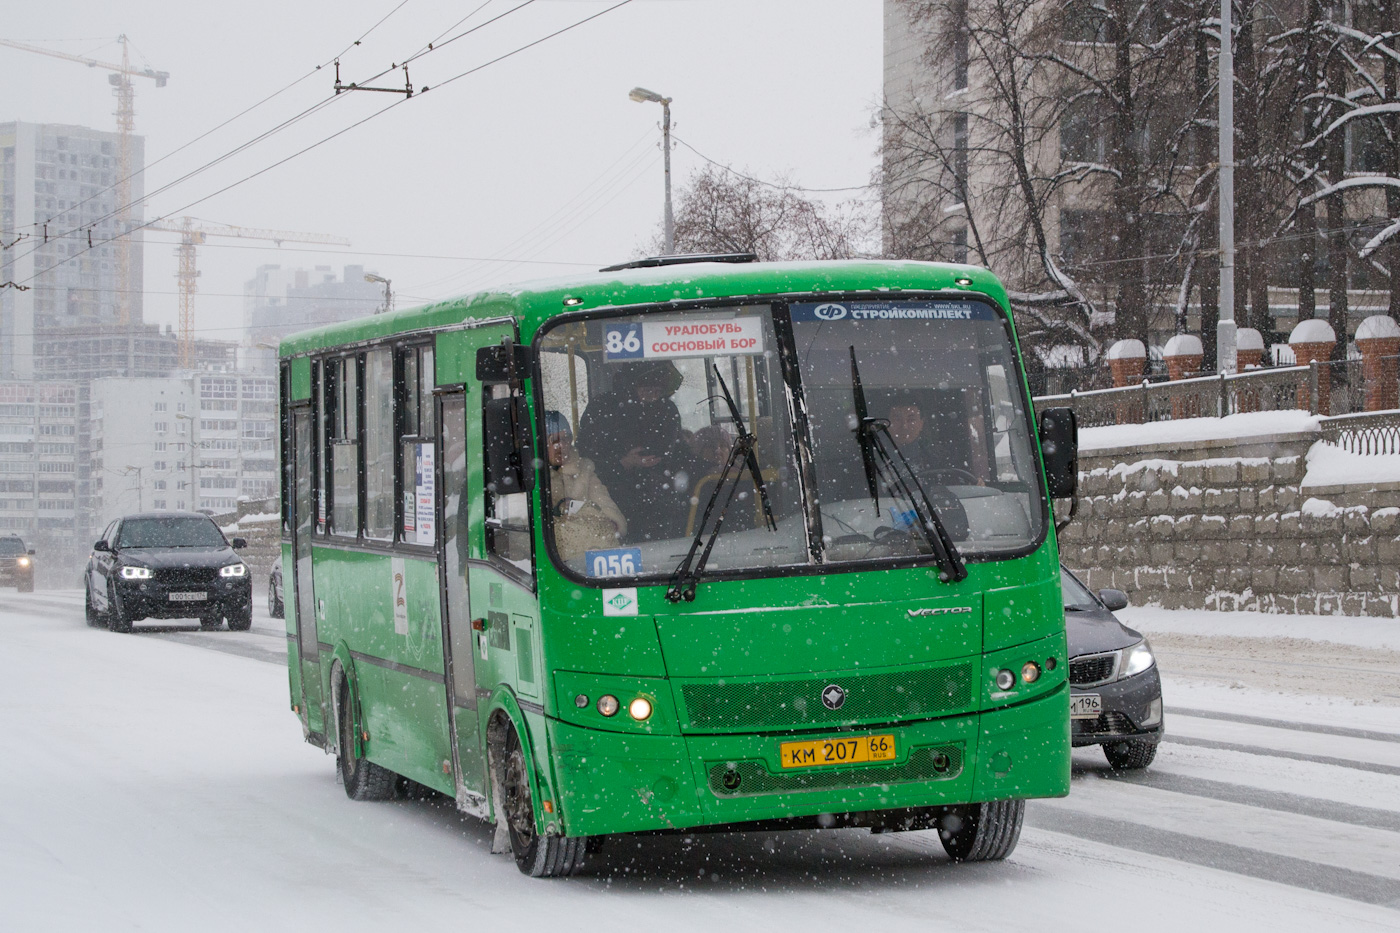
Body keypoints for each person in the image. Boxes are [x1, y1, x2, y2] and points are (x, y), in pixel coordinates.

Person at [576, 361, 688, 542]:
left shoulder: (667, 410)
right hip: (613, 499)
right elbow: (584, 462)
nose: (652, 393)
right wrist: (624, 463)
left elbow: (680, 454)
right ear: (631, 384)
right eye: (646, 387)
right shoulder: (602, 408)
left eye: (658, 388)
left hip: (662, 503)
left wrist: (713, 465)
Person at [543, 410, 628, 561]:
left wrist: (612, 524)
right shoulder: (531, 477)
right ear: (541, 442)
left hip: (585, 556)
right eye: (555, 440)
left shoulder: (584, 468)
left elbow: (605, 504)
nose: (562, 445)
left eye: (567, 438)